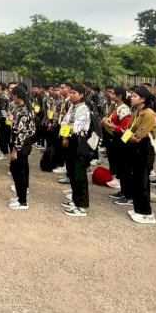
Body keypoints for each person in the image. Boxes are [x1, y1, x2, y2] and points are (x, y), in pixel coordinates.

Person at [117, 86, 156, 224]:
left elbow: (139, 134)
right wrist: (128, 134)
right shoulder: (137, 111)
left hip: (144, 147)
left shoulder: (148, 114)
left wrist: (128, 134)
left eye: (134, 96)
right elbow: (129, 128)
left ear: (143, 99)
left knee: (142, 179)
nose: (131, 98)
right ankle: (138, 208)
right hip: (134, 147)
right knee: (136, 179)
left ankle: (146, 212)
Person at [60, 84, 92, 217]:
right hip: (70, 141)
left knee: (79, 175)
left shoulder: (84, 109)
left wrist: (68, 128)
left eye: (74, 93)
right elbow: (64, 122)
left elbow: (77, 127)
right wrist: (65, 135)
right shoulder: (73, 107)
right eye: (71, 92)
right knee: (72, 173)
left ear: (81, 95)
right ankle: (75, 200)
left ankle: (81, 206)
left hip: (79, 142)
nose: (71, 95)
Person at [8, 85, 36, 210]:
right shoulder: (22, 108)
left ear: (16, 95)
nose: (12, 97)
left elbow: (21, 132)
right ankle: (20, 196)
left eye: (12, 95)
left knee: (19, 172)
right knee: (17, 170)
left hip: (21, 145)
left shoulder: (24, 111)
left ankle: (22, 201)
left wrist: (15, 150)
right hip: (22, 143)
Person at [101, 86, 131, 192]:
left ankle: (119, 179)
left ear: (120, 96)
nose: (111, 95)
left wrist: (111, 125)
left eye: (114, 94)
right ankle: (115, 176)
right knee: (113, 157)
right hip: (113, 136)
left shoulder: (124, 109)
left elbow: (124, 129)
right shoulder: (116, 107)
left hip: (120, 138)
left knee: (120, 160)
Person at [0, 81, 12, 161]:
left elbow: (3, 110)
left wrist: (1, 121)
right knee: (2, 137)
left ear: (0, 87)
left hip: (3, 120)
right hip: (1, 118)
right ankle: (2, 150)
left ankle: (4, 153)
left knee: (3, 136)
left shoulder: (3, 96)